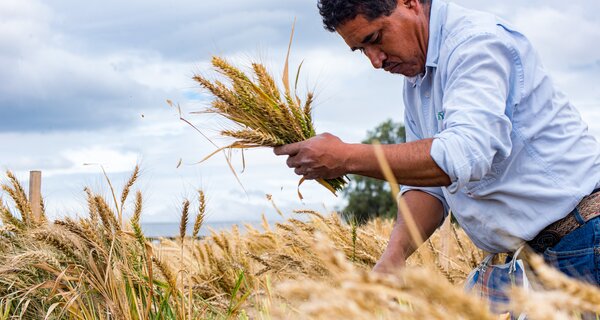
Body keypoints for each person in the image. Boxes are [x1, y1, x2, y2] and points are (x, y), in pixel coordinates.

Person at [273, 0, 600, 285]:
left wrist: (346, 157)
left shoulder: (477, 46)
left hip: (583, 244)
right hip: (527, 261)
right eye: (361, 49)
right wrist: (392, 261)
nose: (375, 60)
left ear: (409, 2)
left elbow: (463, 154)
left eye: (375, 38)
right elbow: (429, 189)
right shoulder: (418, 78)